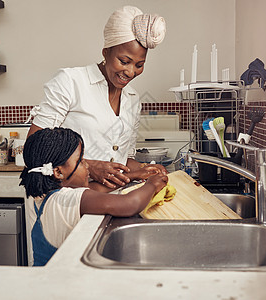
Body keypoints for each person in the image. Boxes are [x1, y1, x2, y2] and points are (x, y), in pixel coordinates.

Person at [28, 6, 167, 191]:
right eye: (124, 61)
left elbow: (122, 159)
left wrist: (144, 168)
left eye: (139, 65)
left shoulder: (132, 99)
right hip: (66, 201)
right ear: (105, 52)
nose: (131, 71)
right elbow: (34, 147)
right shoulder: (71, 82)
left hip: (109, 199)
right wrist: (91, 167)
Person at [20, 127, 168, 266]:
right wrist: (152, 185)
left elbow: (94, 189)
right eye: (80, 161)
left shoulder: (46, 196)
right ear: (58, 172)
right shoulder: (68, 200)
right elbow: (130, 204)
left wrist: (134, 175)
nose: (87, 165)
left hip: (44, 280)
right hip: (61, 285)